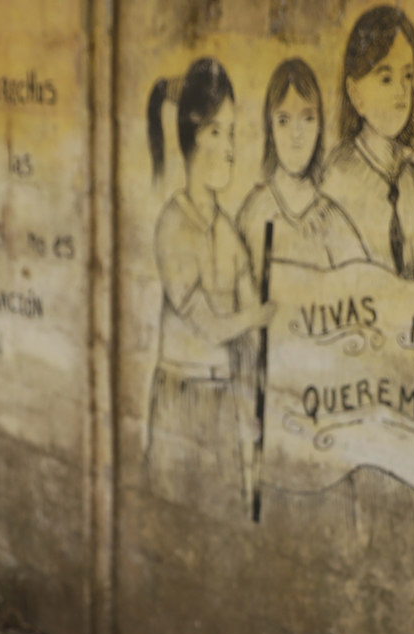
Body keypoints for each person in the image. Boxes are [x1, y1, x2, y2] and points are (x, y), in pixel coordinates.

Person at [144, 57, 276, 505]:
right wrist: (258, 314)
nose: (231, 149)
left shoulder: (228, 232)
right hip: (182, 402)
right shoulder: (173, 226)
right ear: (191, 138)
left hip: (223, 403)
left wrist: (252, 407)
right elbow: (214, 325)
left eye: (233, 134)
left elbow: (250, 336)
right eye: (217, 133)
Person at [319, 5, 414, 280]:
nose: (400, 91)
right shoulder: (336, 175)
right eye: (385, 78)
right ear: (355, 92)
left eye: (407, 76)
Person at [235, 57, 365, 280]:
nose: (297, 134)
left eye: (307, 119)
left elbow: (362, 289)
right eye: (284, 120)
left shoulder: (333, 222)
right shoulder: (253, 214)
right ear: (270, 129)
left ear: (319, 127)